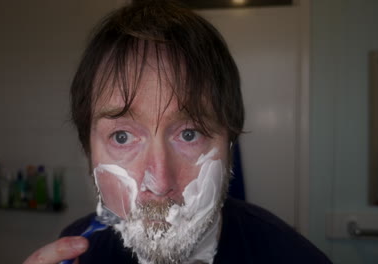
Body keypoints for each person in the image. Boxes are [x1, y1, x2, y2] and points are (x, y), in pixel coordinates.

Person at [24, 1, 332, 263]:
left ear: (229, 142)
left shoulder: (294, 257)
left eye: (189, 134)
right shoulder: (76, 253)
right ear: (89, 150)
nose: (158, 183)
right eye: (122, 137)